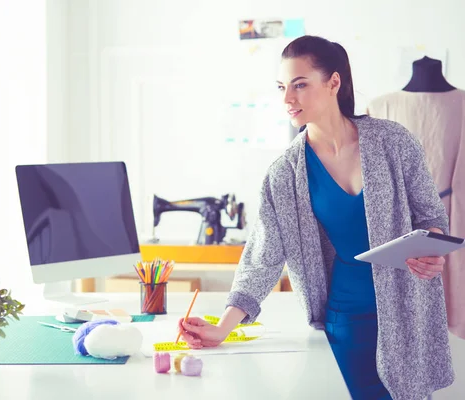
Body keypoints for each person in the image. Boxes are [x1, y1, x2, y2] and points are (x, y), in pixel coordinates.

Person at [177, 35, 454, 400]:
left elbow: (431, 216)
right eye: (282, 87)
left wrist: (432, 248)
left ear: (334, 82)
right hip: (345, 322)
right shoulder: (284, 174)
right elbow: (261, 260)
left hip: (408, 315)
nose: (287, 99)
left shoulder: (394, 142)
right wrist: (221, 327)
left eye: (300, 85)